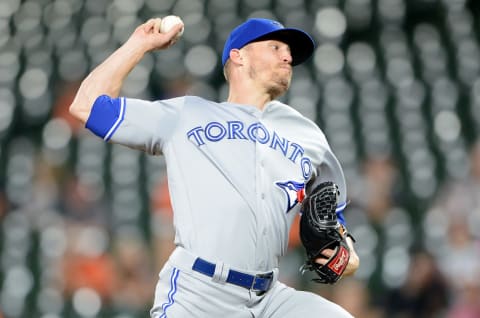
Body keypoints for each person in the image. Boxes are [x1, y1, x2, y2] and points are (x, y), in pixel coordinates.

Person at [69, 16, 360, 318]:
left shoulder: (307, 135)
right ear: (239, 55)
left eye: (289, 52)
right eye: (275, 47)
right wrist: (139, 44)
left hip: (269, 298)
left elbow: (332, 219)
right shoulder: (188, 114)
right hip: (200, 292)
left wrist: (347, 258)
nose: (287, 56)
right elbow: (87, 105)